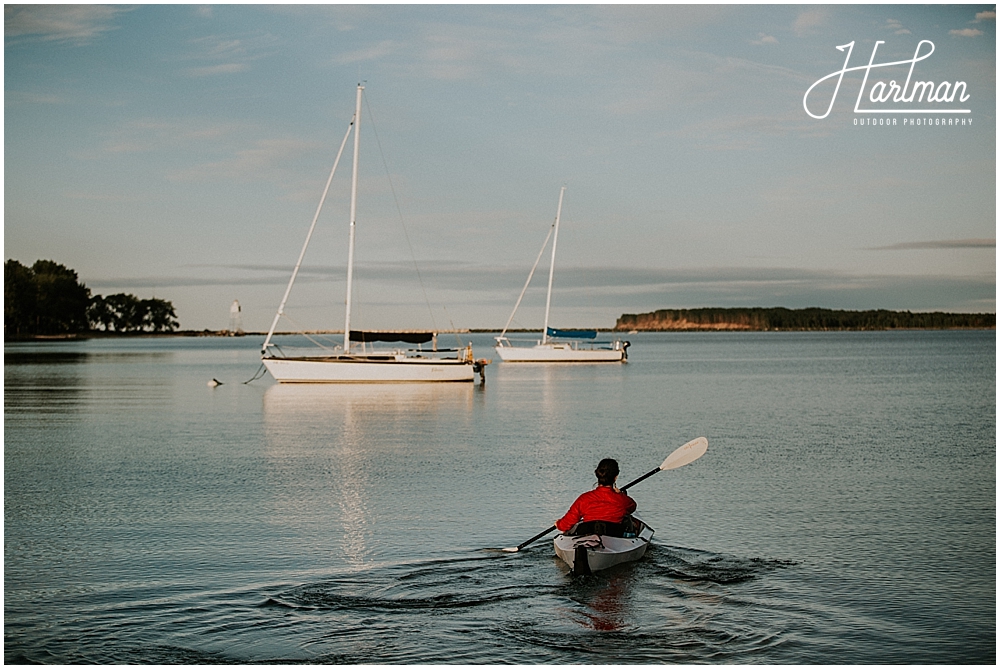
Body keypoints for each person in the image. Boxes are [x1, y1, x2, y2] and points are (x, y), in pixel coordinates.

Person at [555, 458, 637, 537]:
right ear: (615, 477)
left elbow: (564, 525)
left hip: (587, 536)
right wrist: (620, 494)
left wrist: (558, 524)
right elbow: (632, 507)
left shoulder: (584, 499)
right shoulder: (623, 500)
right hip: (614, 537)